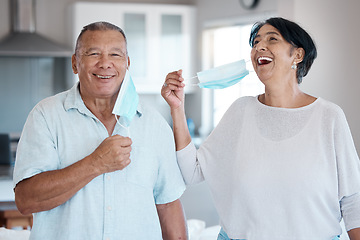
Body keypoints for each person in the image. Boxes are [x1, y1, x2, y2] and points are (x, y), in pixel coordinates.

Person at [161, 17, 360, 240]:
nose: (259, 48)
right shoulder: (241, 111)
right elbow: (192, 171)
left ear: (297, 55)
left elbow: (353, 201)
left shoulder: (329, 117)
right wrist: (177, 109)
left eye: (272, 39)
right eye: (255, 43)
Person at [13, 21, 187, 240]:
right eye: (93, 53)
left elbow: (168, 205)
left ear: (127, 63)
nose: (105, 64)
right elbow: (26, 201)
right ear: (75, 63)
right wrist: (95, 163)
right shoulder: (45, 116)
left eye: (115, 55)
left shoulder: (154, 124)